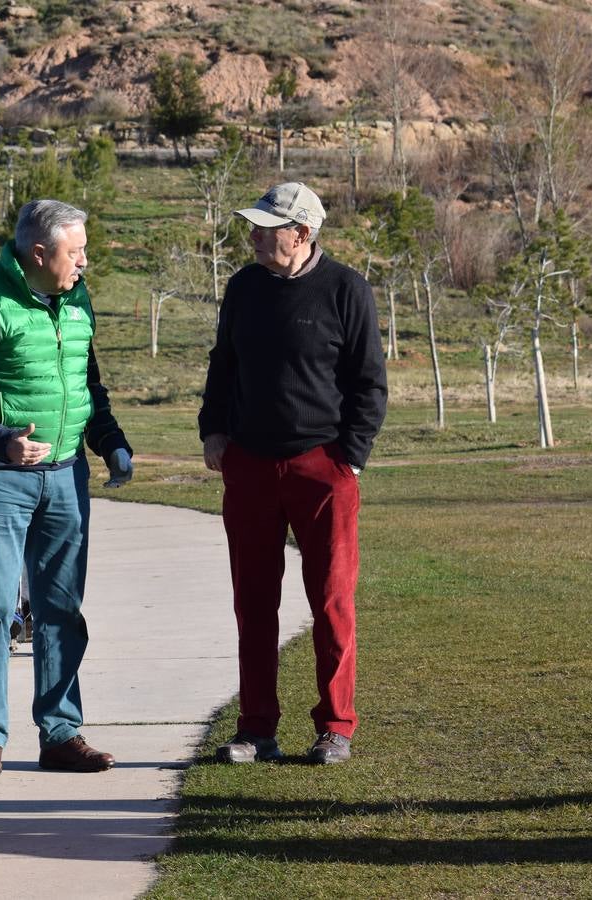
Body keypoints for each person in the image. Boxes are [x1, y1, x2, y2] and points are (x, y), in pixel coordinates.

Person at [0, 199, 133, 777]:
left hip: (67, 476)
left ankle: (61, 732)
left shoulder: (78, 299)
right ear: (39, 253)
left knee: (61, 609)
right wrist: (1, 443)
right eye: (77, 251)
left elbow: (86, 384)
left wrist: (110, 441)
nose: (85, 262)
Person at [199, 182, 387, 765]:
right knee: (253, 603)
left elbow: (369, 383)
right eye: (254, 225)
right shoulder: (243, 287)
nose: (253, 235)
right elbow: (223, 364)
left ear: (301, 233)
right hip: (250, 465)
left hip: (322, 468)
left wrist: (348, 457)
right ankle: (256, 729)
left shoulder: (346, 289)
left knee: (331, 600)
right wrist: (215, 431)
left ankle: (335, 726)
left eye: (265, 227)